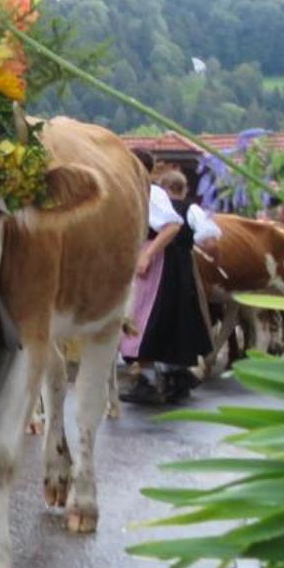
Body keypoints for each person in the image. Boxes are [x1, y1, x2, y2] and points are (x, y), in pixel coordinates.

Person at [120, 170, 213, 405]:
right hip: (173, 265)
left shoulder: (154, 196)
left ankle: (153, 380)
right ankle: (174, 376)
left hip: (164, 264)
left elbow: (179, 229)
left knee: (145, 319)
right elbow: (209, 240)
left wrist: (149, 254)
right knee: (169, 319)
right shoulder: (187, 208)